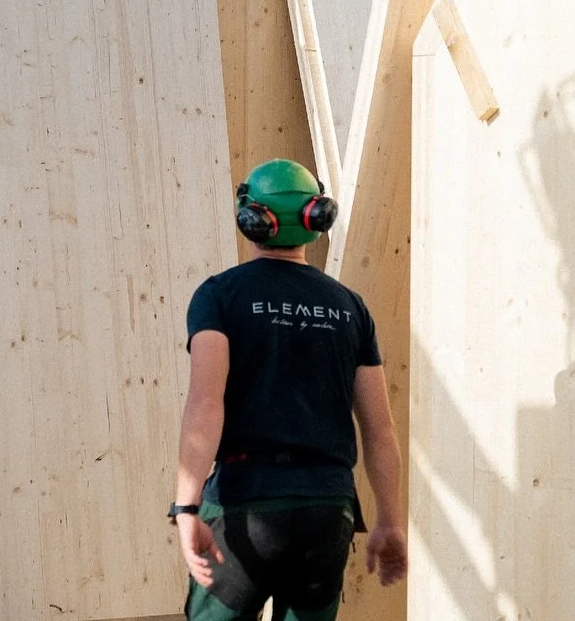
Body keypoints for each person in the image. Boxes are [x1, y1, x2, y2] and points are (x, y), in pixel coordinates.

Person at [170, 158, 408, 621]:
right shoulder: (350, 307)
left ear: (251, 217)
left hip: (246, 503)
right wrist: (389, 520)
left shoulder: (219, 295)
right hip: (327, 510)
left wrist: (186, 505)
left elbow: (205, 404)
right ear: (316, 217)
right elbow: (380, 430)